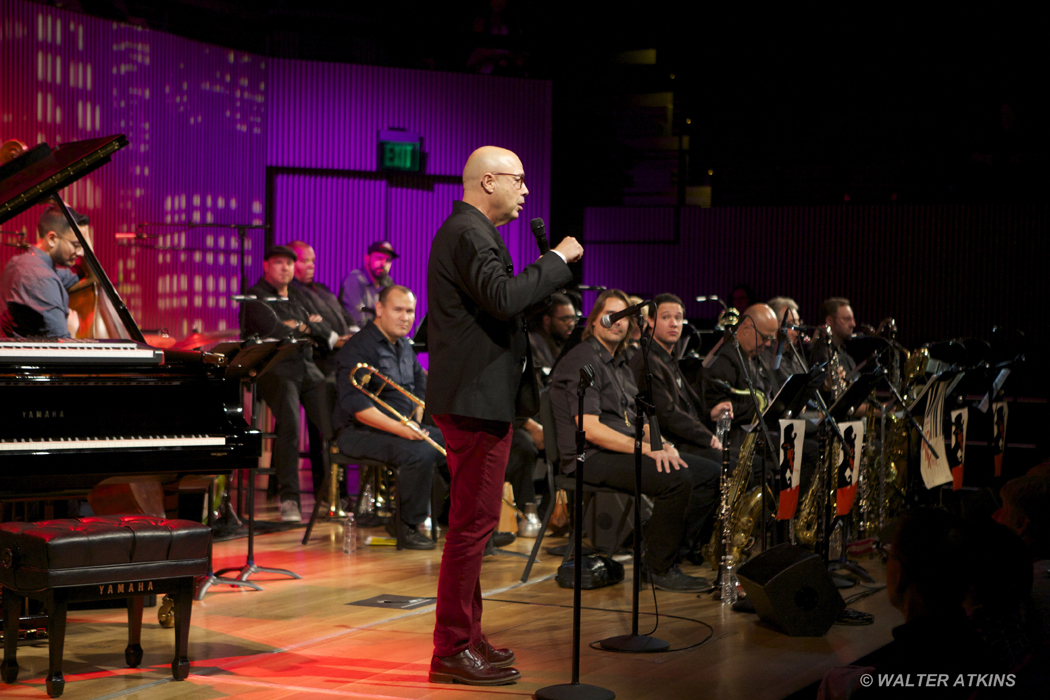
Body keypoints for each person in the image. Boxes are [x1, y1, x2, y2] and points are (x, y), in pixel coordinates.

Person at [425, 145, 581, 685]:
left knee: (477, 524)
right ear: (488, 182)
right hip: (473, 400)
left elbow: (493, 305)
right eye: (518, 180)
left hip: (478, 398)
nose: (526, 191)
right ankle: (450, 647)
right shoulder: (469, 233)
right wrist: (556, 259)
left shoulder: (471, 233)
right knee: (472, 527)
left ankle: (468, 637)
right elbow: (502, 296)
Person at [551, 289, 720, 591]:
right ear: (594, 320)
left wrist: (661, 444)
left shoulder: (619, 364)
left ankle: (660, 548)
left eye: (624, 318)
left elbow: (639, 417)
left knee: (707, 473)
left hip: (620, 449)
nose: (617, 322)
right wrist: (645, 450)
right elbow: (588, 428)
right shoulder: (584, 359)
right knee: (677, 478)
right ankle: (657, 568)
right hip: (588, 457)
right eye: (611, 315)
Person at [332, 285, 442, 550]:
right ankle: (405, 525)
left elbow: (418, 390)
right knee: (420, 453)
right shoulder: (358, 348)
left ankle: (449, 515)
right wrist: (402, 429)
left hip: (396, 427)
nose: (406, 317)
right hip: (358, 433)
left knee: (456, 440)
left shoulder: (405, 345)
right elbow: (357, 406)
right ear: (380, 310)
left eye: (410, 311)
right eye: (398, 310)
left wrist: (414, 421)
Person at [240, 245, 331, 523]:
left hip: (305, 366)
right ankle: (289, 499)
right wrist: (305, 326)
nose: (286, 268)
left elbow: (324, 330)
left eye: (290, 264)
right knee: (290, 425)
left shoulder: (298, 298)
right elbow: (275, 331)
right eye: (279, 262)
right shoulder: (255, 297)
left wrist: (301, 324)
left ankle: (331, 496)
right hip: (274, 368)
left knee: (332, 422)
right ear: (266, 265)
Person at [288, 240, 354, 501]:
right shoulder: (291, 293)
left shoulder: (324, 290)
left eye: (313, 261)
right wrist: (332, 336)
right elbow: (311, 326)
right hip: (317, 364)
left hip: (340, 361)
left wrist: (347, 335)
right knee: (323, 429)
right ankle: (327, 493)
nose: (311, 266)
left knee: (341, 425)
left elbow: (344, 319)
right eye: (305, 261)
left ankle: (342, 493)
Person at [629, 293, 722, 460]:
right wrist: (707, 437)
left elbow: (684, 407)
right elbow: (666, 414)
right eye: (666, 317)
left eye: (678, 318)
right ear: (650, 321)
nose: (674, 324)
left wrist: (710, 415)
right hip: (671, 444)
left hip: (686, 440)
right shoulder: (647, 360)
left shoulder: (667, 358)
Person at [0, 205, 85, 338]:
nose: (81, 252)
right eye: (76, 245)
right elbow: (61, 350)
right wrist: (72, 331)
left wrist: (65, 206)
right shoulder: (42, 279)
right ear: (52, 239)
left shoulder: (20, 262)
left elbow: (88, 274)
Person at [701, 303, 779, 444]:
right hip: (736, 437)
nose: (768, 344)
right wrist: (764, 408)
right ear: (746, 327)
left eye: (771, 339)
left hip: (759, 431)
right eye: (765, 337)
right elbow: (719, 408)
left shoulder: (756, 357)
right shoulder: (722, 359)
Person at [339, 240, 397, 330]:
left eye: (388, 260)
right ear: (367, 258)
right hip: (358, 338)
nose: (383, 264)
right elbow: (358, 322)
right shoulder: (354, 279)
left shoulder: (388, 282)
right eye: (379, 258)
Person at [529, 292, 576, 389]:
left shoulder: (563, 343)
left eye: (573, 319)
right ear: (547, 320)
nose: (571, 324)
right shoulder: (533, 344)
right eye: (565, 319)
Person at [765, 296, 808, 391]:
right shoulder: (766, 357)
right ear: (775, 325)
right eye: (792, 324)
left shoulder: (797, 358)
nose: (798, 331)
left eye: (798, 323)